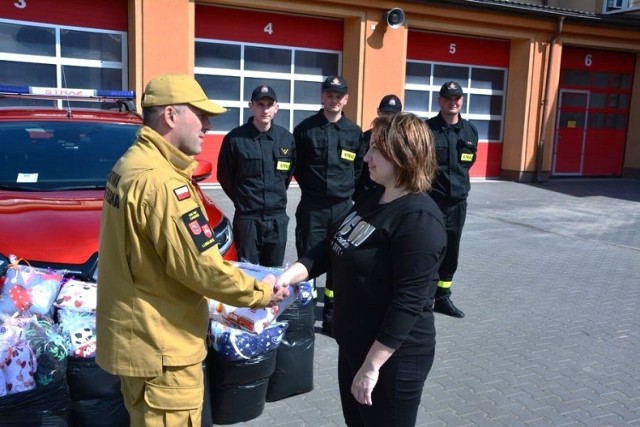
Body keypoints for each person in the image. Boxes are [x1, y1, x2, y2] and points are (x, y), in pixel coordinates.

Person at [96, 73, 289, 426]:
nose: (208, 125)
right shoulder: (163, 183)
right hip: (163, 349)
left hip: (141, 339)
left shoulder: (131, 164)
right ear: (171, 115)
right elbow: (203, 269)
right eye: (200, 116)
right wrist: (263, 292)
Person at [277, 113, 446, 426]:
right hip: (355, 345)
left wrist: (371, 366)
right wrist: (290, 274)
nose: (366, 157)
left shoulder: (420, 219)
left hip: (392, 358)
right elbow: (332, 245)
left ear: (402, 155)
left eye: (375, 150)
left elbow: (408, 302)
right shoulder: (372, 196)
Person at [293, 75, 366, 335]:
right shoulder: (305, 130)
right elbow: (297, 168)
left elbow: (358, 168)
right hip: (313, 207)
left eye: (339, 96)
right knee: (308, 259)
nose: (334, 100)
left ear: (346, 99)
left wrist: (344, 192)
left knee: (339, 262)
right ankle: (304, 314)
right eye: (330, 95)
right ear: (322, 97)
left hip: (343, 208)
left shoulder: (354, 132)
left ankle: (332, 315)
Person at [217, 85, 295, 267]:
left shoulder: (286, 139)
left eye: (269, 104)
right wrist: (243, 201)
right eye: (260, 104)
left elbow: (287, 175)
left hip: (277, 219)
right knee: (247, 272)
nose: (265, 109)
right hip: (247, 220)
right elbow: (225, 176)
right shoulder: (235, 139)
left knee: (274, 273)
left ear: (277, 107)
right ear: (251, 106)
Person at [426, 81, 479, 318]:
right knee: (429, 249)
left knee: (451, 252)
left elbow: (467, 163)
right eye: (448, 98)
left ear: (462, 101)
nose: (453, 102)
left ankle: (443, 297)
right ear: (440, 100)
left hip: (457, 203)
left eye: (457, 98)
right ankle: (424, 297)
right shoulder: (427, 130)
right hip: (432, 202)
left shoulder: (470, 131)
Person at [354, 94, 403, 201]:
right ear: (378, 112)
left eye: (393, 114)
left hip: (392, 195)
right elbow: (358, 167)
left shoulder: (402, 142)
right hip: (368, 194)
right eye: (386, 114)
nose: (388, 118)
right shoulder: (366, 137)